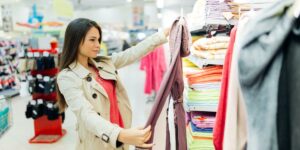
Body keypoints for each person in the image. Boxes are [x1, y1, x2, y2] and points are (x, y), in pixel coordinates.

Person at [56, 18, 169, 150]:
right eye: (92, 40)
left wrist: (162, 35)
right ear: (75, 41)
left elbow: (132, 53)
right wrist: (121, 135)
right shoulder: (67, 77)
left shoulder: (103, 63)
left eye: (98, 40)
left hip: (120, 136)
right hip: (99, 141)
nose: (98, 44)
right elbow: (86, 114)